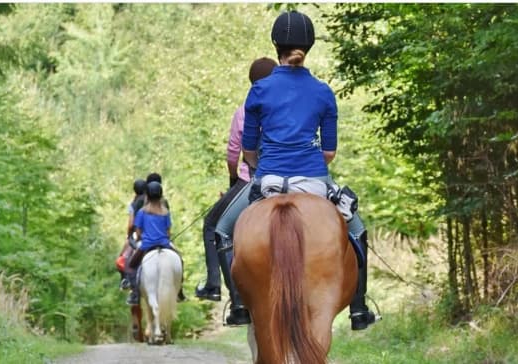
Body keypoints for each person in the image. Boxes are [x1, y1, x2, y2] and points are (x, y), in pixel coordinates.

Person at [214, 10, 379, 330]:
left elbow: (248, 150)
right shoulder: (322, 92)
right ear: (310, 45)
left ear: (276, 45)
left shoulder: (259, 90)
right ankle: (359, 309)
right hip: (314, 181)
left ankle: (238, 305)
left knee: (222, 230)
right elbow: (329, 152)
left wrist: (261, 166)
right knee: (357, 232)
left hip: (269, 179)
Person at [195, 57, 278, 303]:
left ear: (252, 82)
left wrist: (234, 178)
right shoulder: (287, 108)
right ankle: (357, 301)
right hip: (294, 176)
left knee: (213, 225)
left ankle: (223, 290)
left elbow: (233, 154)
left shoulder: (244, 111)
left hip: (253, 181)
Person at [126, 181, 185, 305]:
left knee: (131, 266)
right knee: (180, 261)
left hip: (146, 245)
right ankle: (179, 291)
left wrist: (141, 238)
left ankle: (134, 294)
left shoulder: (142, 212)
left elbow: (138, 230)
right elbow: (168, 232)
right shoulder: (165, 212)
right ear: (160, 195)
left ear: (147, 195)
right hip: (164, 244)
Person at [117, 179, 147, 290]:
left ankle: (126, 280)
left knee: (122, 259)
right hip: (157, 234)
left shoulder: (134, 204)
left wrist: (129, 236)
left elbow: (130, 225)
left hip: (139, 234)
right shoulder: (154, 201)